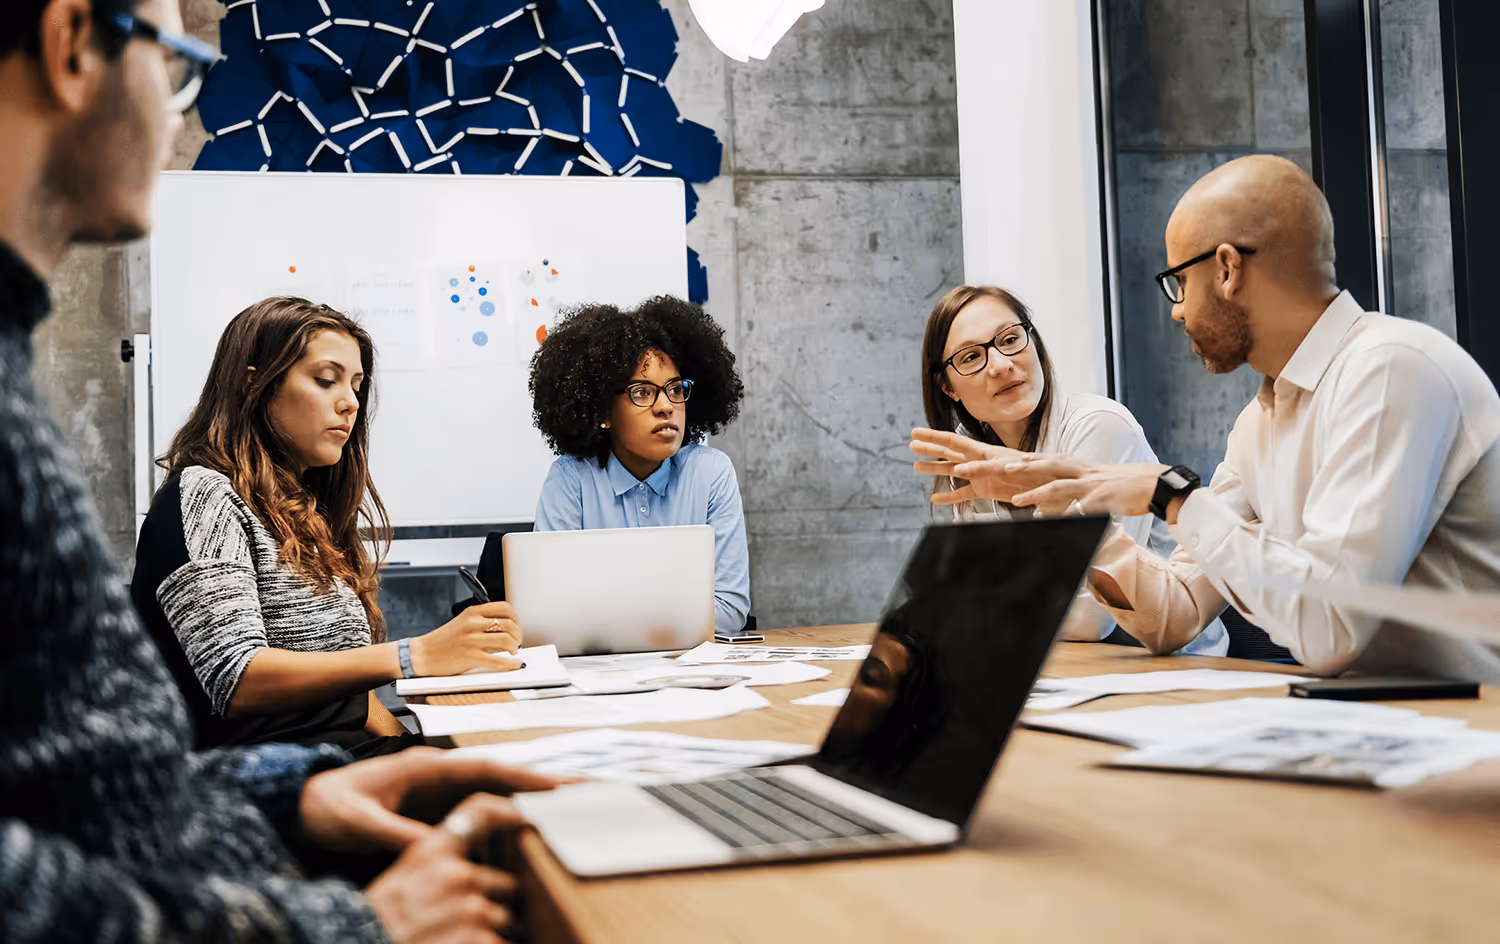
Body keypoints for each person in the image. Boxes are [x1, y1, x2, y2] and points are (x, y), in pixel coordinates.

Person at [0, 1, 557, 940]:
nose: (179, 113)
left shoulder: (299, 502)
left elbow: (92, 798)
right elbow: (227, 688)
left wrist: (286, 799)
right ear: (68, 49)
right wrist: (344, 926)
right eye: (175, 63)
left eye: (357, 386)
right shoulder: (204, 492)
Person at [922, 155, 1500, 682]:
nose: (1175, 309)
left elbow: (1330, 631)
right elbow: (1176, 617)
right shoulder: (1261, 421)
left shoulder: (1389, 368)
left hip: (1472, 735)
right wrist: (1064, 504)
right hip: (1383, 724)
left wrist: (1170, 494)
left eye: (1179, 281)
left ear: (1226, 269)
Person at [131, 297, 527, 754]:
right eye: (326, 380)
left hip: (335, 760)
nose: (350, 403)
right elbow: (238, 679)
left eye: (356, 385)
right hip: (265, 784)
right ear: (252, 385)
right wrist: (414, 656)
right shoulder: (205, 495)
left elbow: (346, 699)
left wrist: (417, 747)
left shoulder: (303, 511)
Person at [911, 285, 1227, 655]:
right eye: (970, 358)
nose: (1000, 365)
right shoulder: (965, 455)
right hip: (1054, 665)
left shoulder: (1098, 426)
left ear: (1034, 342)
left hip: (1167, 666)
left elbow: (1092, 618)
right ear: (947, 387)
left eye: (1010, 339)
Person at [528, 295, 751, 634]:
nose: (666, 406)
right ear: (603, 412)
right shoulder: (570, 479)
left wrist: (607, 614)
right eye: (643, 393)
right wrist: (673, 613)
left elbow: (730, 610)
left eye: (675, 389)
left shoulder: (710, 473)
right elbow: (549, 612)